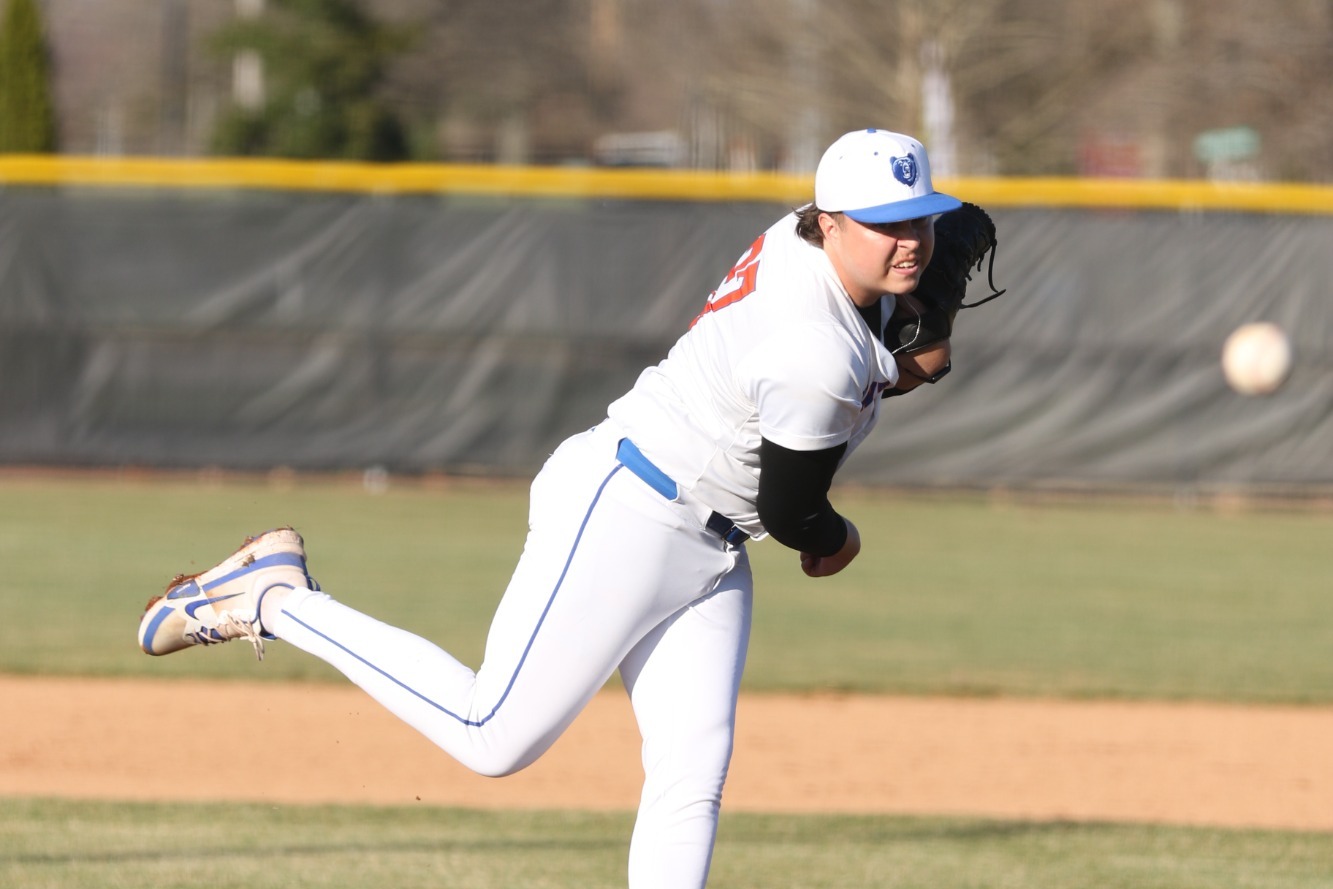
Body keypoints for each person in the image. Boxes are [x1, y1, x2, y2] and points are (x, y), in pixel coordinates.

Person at [138, 128, 1000, 889]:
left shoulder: (798, 241)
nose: (913, 241)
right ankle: (276, 599)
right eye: (884, 222)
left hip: (706, 542)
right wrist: (841, 531)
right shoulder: (812, 347)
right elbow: (796, 512)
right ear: (830, 220)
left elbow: (874, 358)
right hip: (630, 511)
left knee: (689, 772)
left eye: (918, 216)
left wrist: (914, 334)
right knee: (491, 735)